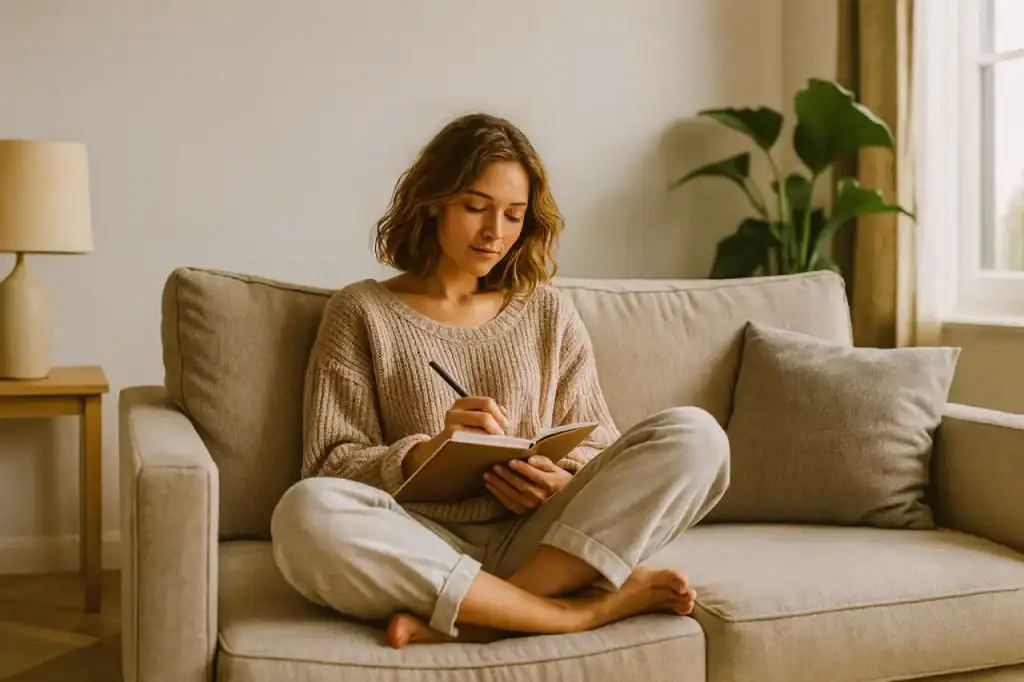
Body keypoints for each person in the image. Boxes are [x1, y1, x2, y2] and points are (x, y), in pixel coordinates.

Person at [270, 112, 730, 649]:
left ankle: (488, 616)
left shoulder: (547, 312)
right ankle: (571, 615)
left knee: (698, 436)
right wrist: (427, 453)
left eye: (513, 216)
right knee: (303, 514)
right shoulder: (361, 311)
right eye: (475, 208)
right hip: (421, 546)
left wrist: (561, 482)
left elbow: (602, 447)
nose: (495, 233)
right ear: (433, 201)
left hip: (545, 542)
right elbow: (328, 465)